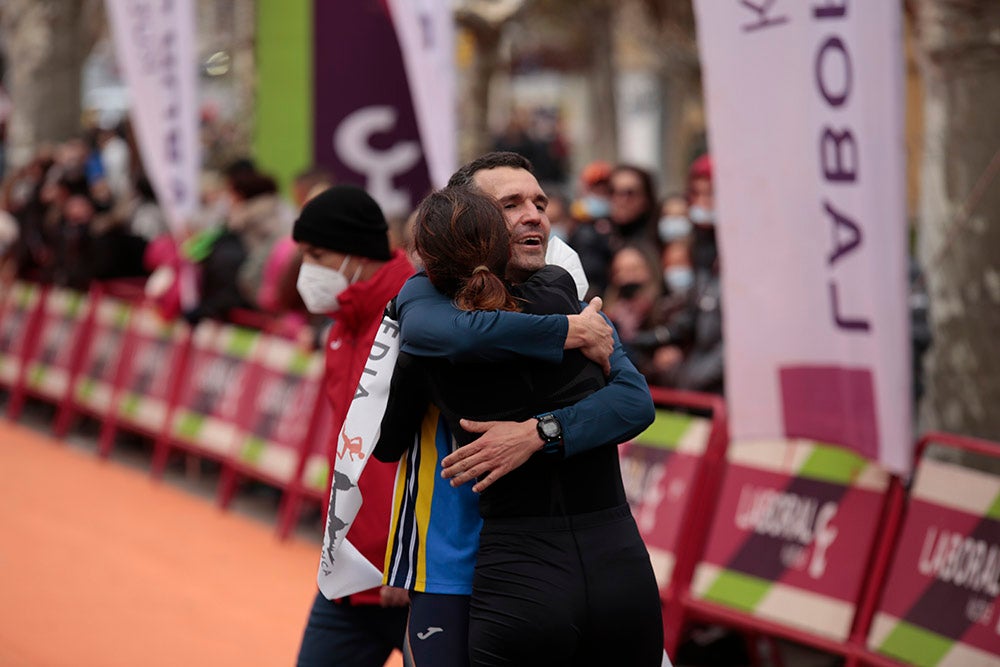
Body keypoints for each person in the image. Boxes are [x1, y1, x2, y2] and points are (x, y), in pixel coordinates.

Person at [377, 152, 664, 666]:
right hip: (480, 564)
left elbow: (635, 401)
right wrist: (565, 333)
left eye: (540, 202)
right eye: (511, 204)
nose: (534, 213)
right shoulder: (432, 302)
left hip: (554, 563)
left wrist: (537, 433)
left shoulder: (568, 292)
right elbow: (427, 332)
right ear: (472, 221)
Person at [292, 184, 414, 667]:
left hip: (416, 584)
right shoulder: (341, 326)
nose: (308, 269)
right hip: (346, 575)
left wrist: (407, 561)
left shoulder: (415, 317)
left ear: (356, 254)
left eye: (317, 254)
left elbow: (435, 454)